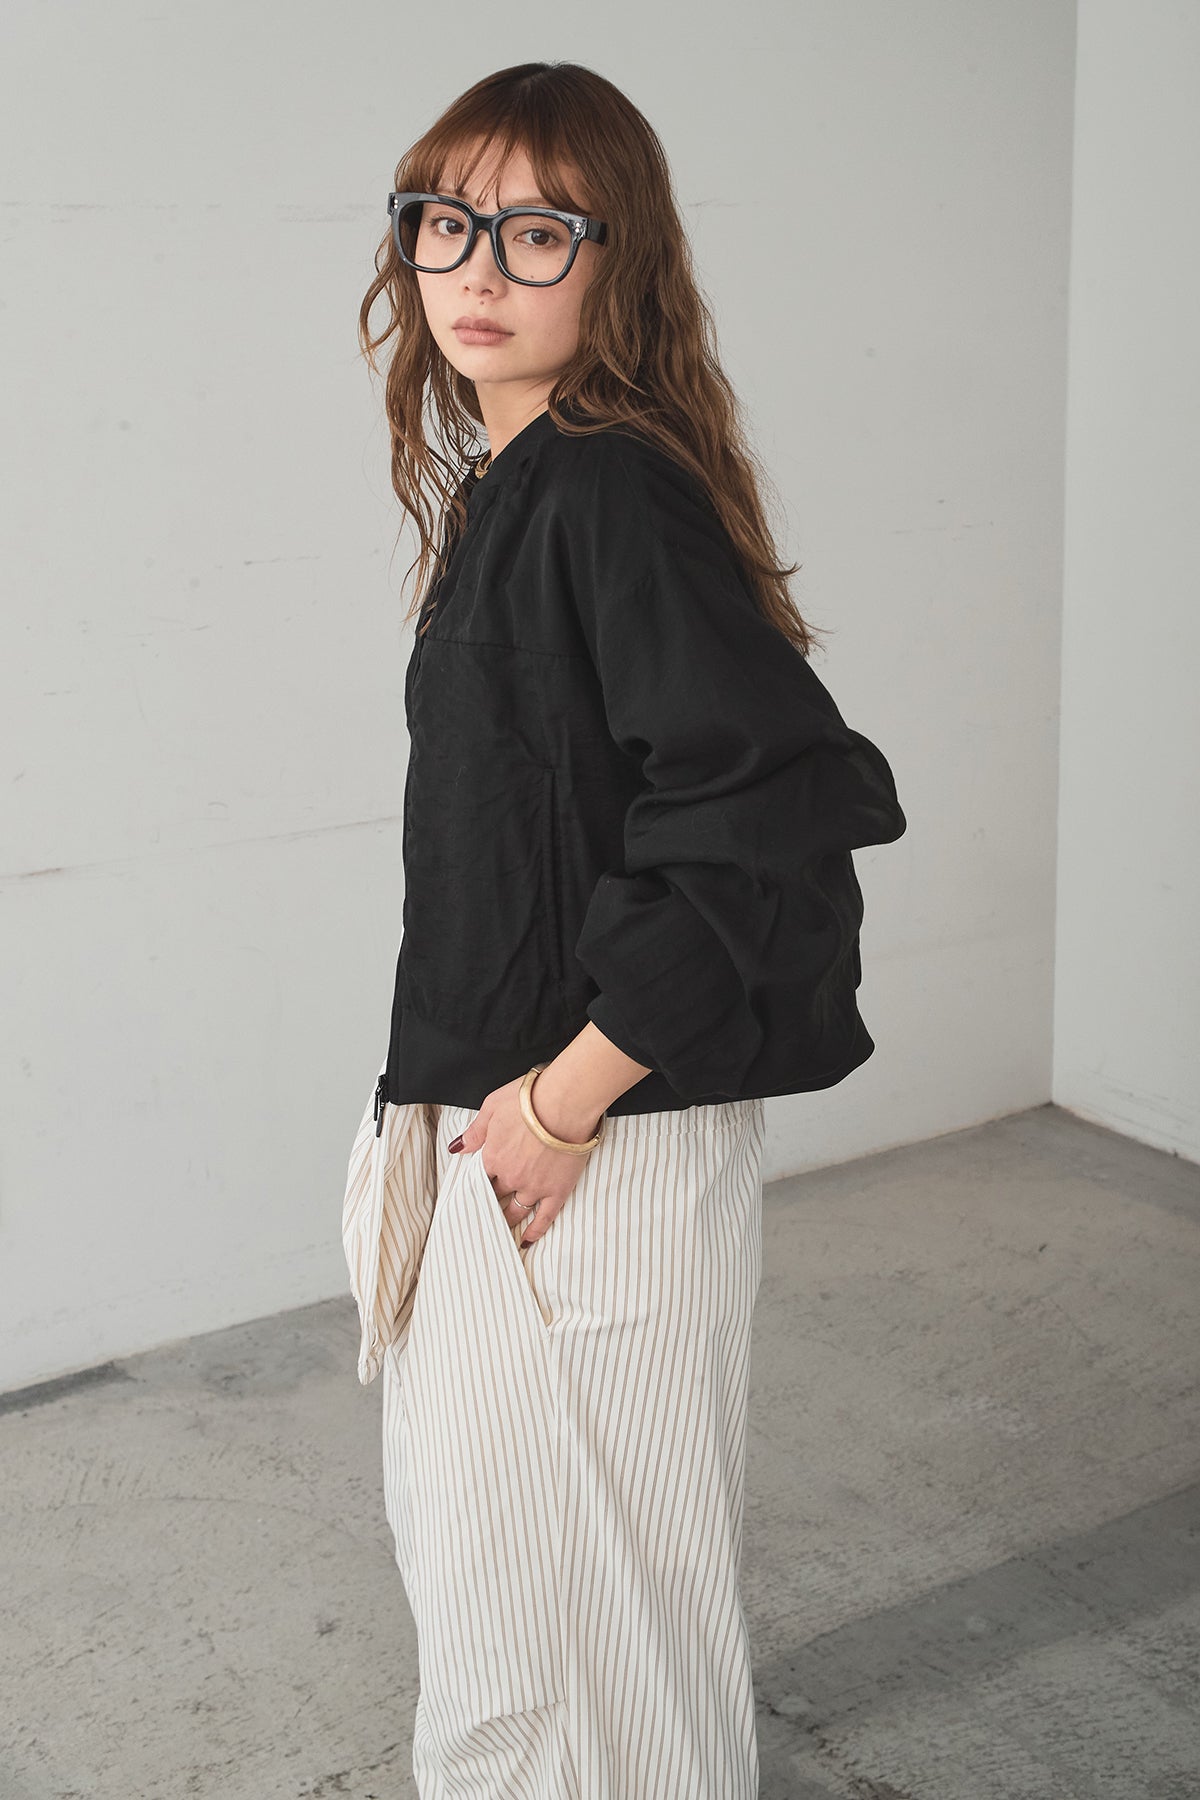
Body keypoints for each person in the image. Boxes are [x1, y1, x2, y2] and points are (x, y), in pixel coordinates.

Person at [345, 59, 907, 1800]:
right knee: (527, 1605)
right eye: (447, 223)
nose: (478, 268)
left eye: (537, 230)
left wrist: (562, 1101)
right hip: (520, 1117)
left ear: (618, 259)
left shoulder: (605, 490)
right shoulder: (524, 483)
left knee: (583, 1628)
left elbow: (767, 807)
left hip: (586, 1141)